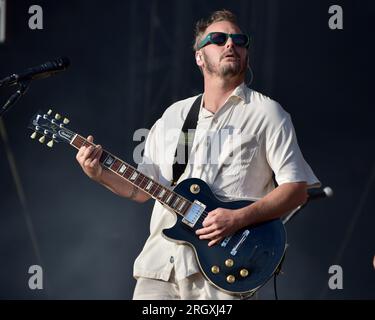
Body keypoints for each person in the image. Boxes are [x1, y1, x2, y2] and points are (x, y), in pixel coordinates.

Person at [75, 9, 320, 300]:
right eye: (218, 39)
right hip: (159, 269)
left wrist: (238, 219)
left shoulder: (267, 114)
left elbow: (296, 190)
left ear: (246, 55)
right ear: (199, 57)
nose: (230, 44)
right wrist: (99, 173)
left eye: (239, 40)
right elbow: (140, 190)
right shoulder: (175, 116)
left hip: (219, 274)